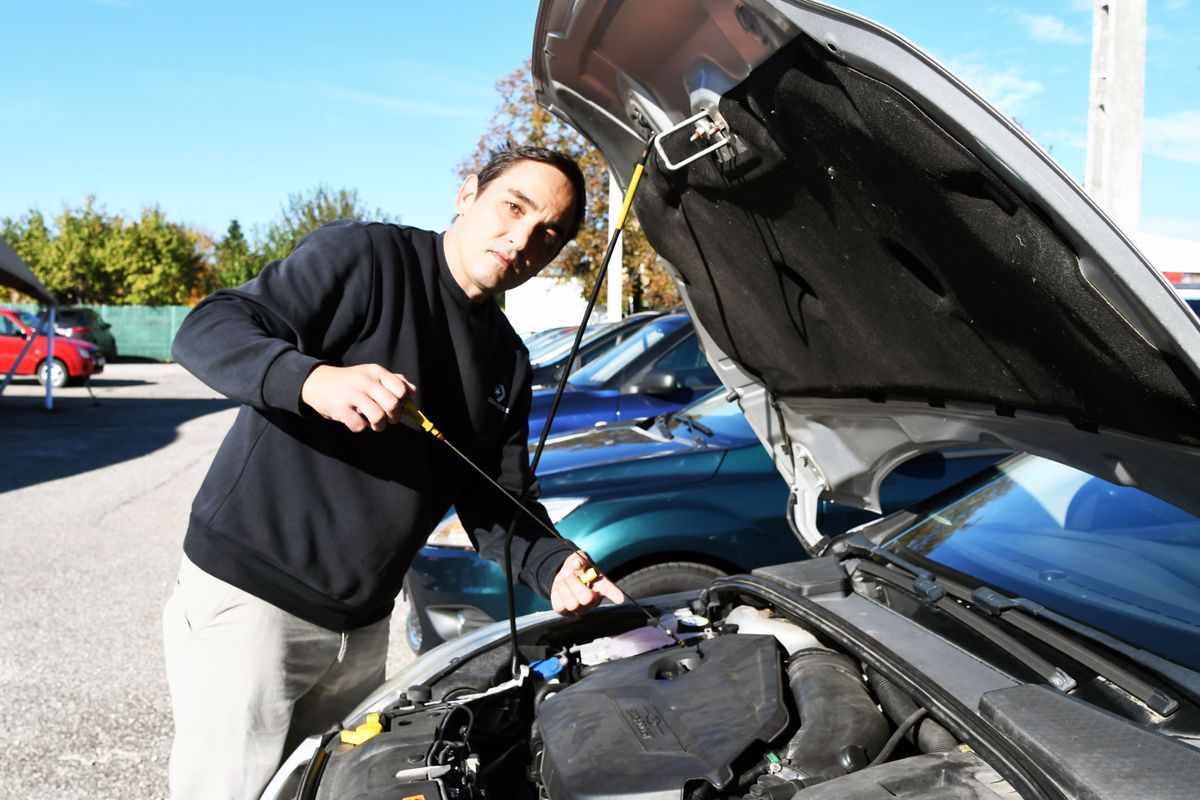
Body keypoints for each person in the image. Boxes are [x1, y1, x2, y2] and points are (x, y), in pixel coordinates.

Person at [163, 144, 626, 800]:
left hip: (363, 627)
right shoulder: (369, 259)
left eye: (548, 233)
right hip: (255, 601)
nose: (522, 238)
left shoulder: (508, 362)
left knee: (328, 790)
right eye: (512, 207)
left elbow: (496, 502)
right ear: (468, 194)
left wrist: (555, 565)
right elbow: (208, 329)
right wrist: (314, 379)